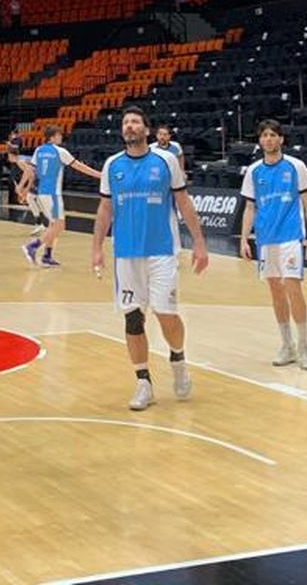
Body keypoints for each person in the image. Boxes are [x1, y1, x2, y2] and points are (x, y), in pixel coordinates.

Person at [91, 105, 209, 411]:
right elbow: (105, 210)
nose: (130, 126)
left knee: (165, 312)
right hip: (126, 254)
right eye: (126, 122)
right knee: (133, 318)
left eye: (135, 122)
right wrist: (96, 249)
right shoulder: (112, 165)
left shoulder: (166, 160)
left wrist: (199, 243)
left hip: (161, 251)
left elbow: (183, 203)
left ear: (146, 129)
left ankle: (179, 360)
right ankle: (143, 382)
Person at [240, 119, 307, 370]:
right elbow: (250, 208)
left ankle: (304, 345)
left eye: (273, 135)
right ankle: (287, 345)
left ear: (281, 139)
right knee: (275, 291)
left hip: (291, 237)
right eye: (264, 135)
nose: (269, 139)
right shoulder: (253, 171)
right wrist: (244, 238)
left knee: (293, 287)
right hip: (266, 240)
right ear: (259, 140)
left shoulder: (296, 166)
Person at [23, 125, 99, 267]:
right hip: (53, 194)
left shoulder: (38, 150)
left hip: (41, 193)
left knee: (53, 225)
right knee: (59, 226)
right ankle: (32, 247)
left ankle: (47, 256)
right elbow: (79, 166)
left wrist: (23, 187)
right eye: (59, 135)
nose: (61, 137)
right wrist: (99, 175)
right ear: (52, 137)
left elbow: (30, 170)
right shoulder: (60, 151)